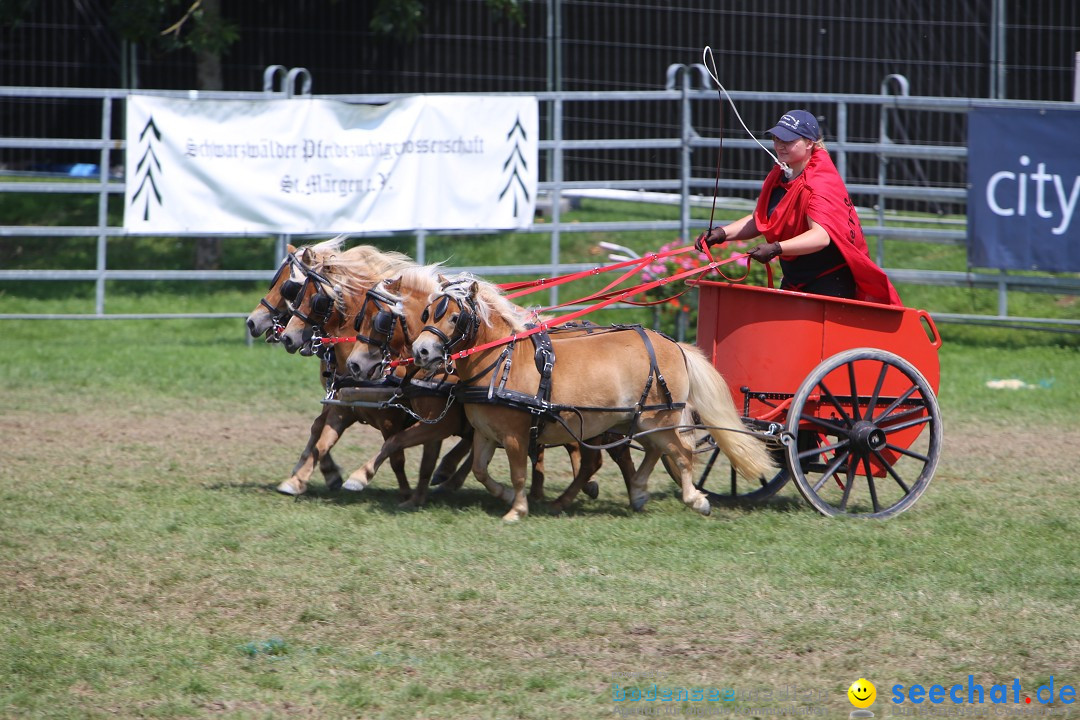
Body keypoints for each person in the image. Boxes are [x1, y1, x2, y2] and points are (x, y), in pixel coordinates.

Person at [695, 109, 901, 305]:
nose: (780, 145)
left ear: (809, 142)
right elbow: (761, 219)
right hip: (795, 278)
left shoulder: (819, 184)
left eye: (788, 141)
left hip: (828, 284)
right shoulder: (781, 175)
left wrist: (776, 248)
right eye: (776, 139)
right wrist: (721, 234)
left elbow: (820, 237)